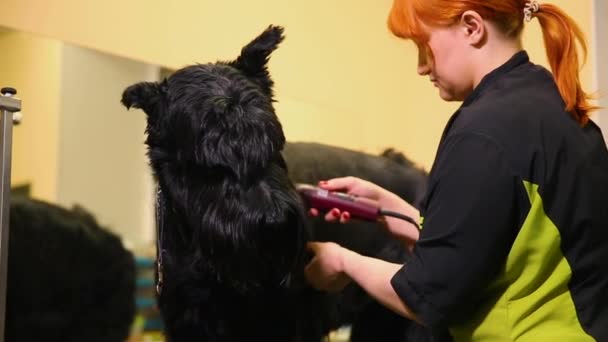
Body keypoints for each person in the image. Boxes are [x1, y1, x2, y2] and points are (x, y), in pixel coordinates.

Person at [304, 0, 608, 340]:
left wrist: (344, 262)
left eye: (423, 45)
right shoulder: (556, 108)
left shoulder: (483, 132)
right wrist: (391, 209)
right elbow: (491, 247)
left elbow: (429, 296)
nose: (421, 66)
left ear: (471, 27)